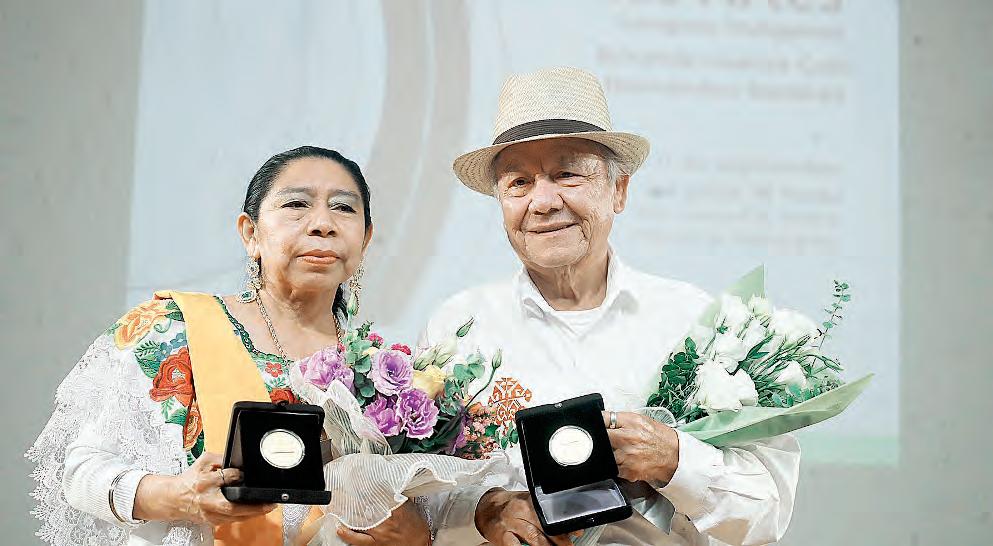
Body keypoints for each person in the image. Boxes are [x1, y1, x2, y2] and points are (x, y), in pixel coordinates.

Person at [421, 67, 801, 546]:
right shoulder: (458, 326)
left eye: (567, 174)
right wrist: (485, 507)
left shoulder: (695, 322)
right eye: (519, 182)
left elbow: (768, 511)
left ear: (619, 190)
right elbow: (418, 495)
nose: (543, 201)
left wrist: (676, 461)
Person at [27, 146, 430, 546]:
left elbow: (425, 511)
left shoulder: (390, 378)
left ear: (365, 238)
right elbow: (81, 471)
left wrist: (415, 536)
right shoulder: (173, 329)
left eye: (343, 208)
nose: (323, 224)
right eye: (296, 204)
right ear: (250, 233)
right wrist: (178, 496)